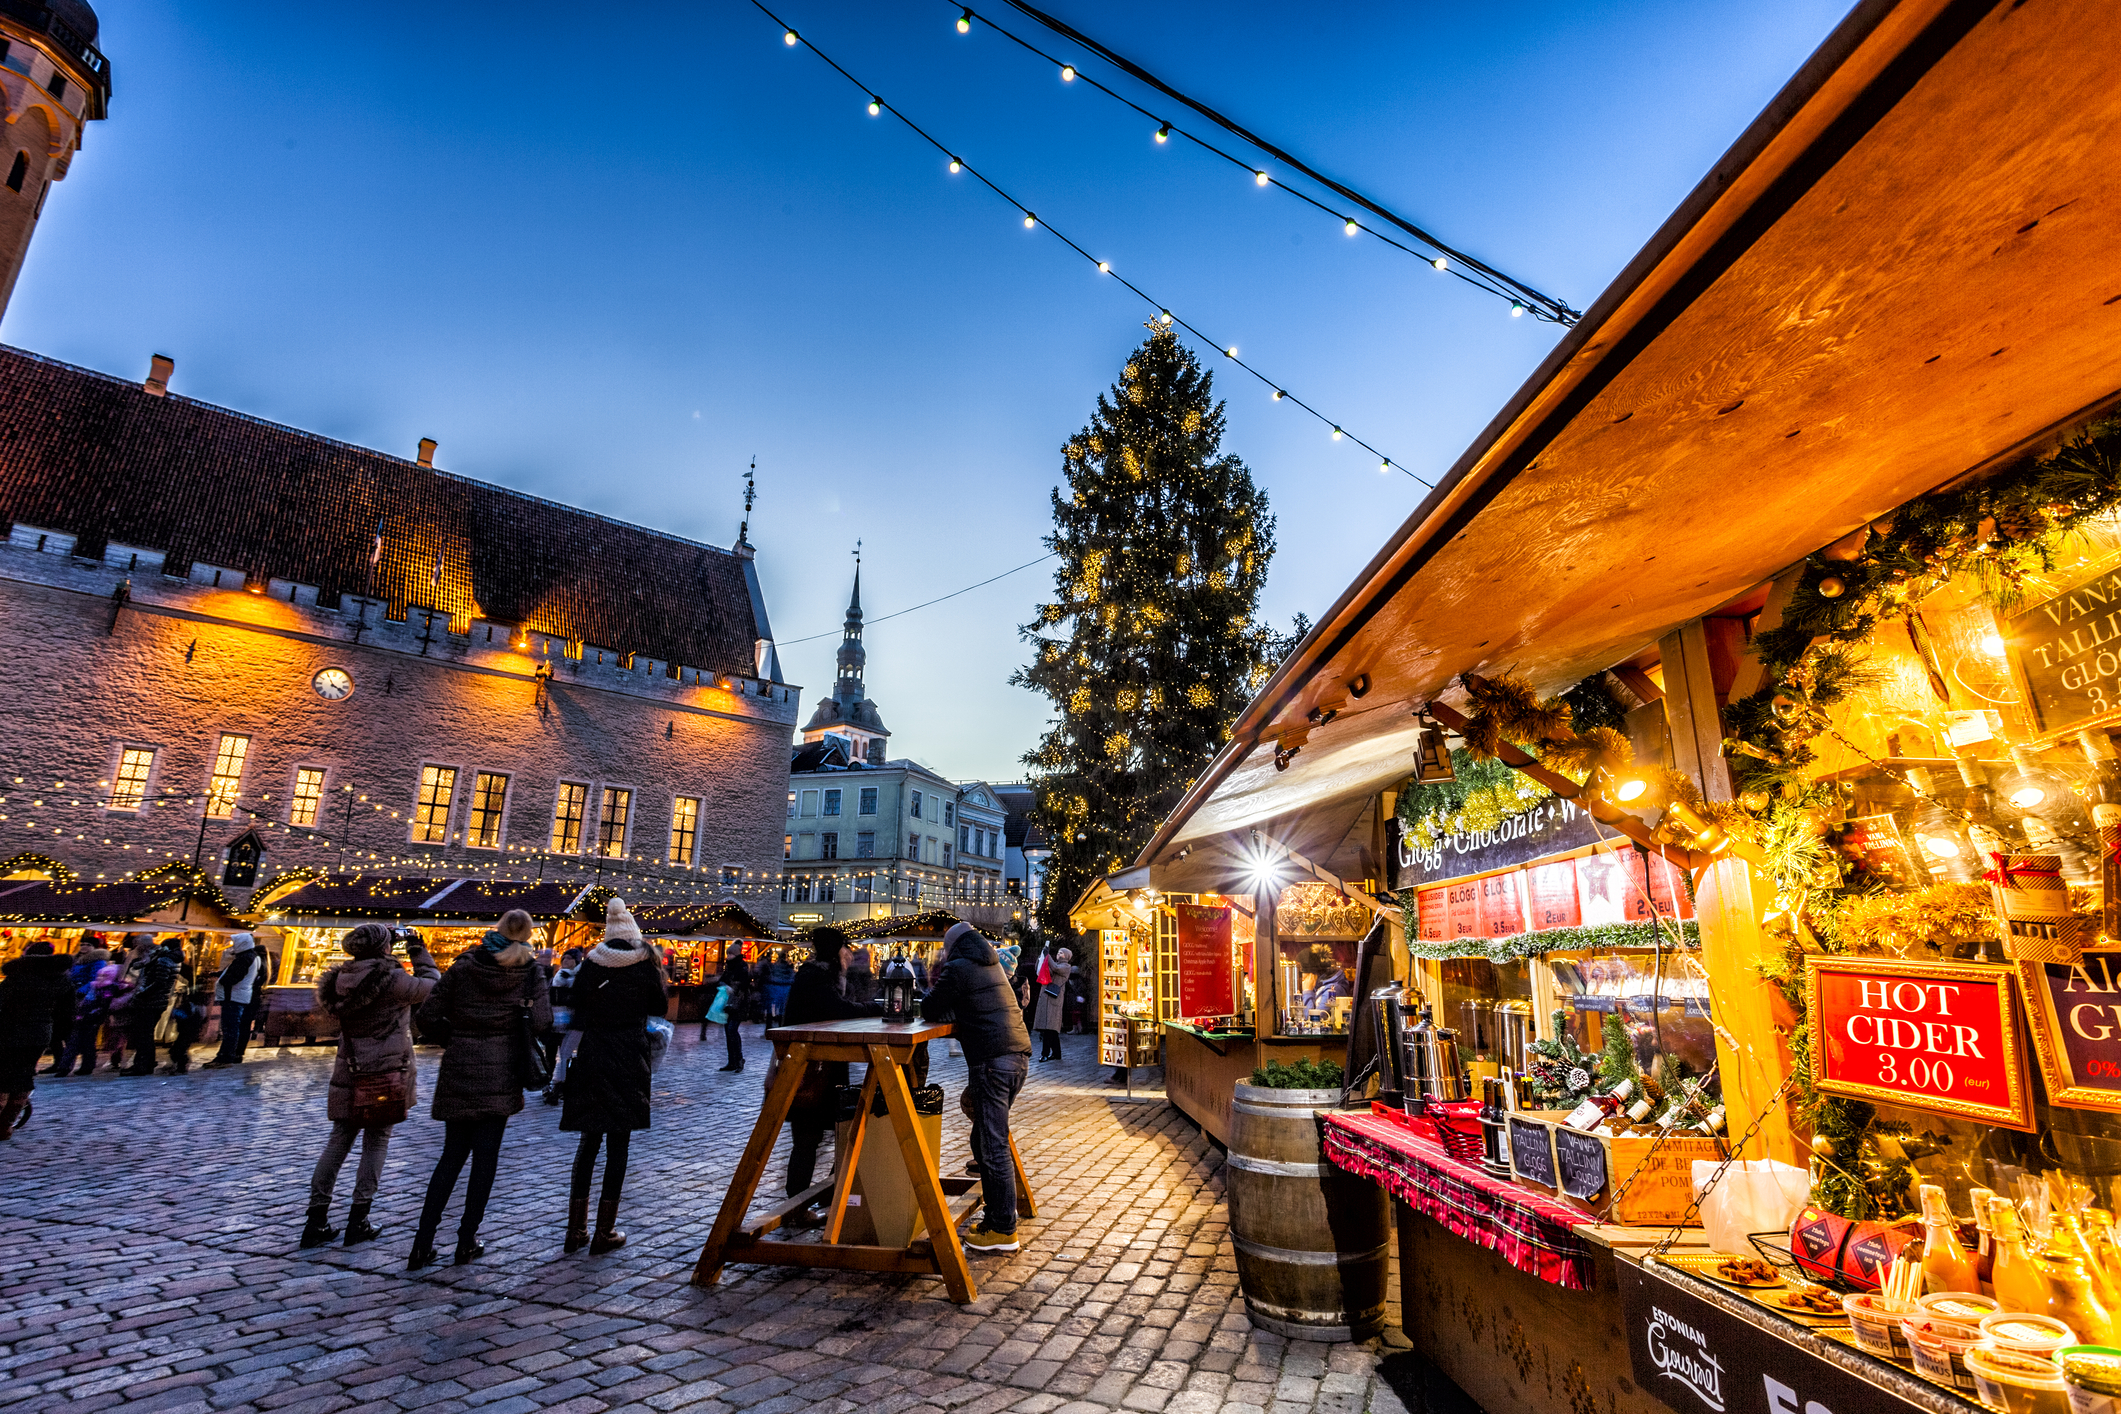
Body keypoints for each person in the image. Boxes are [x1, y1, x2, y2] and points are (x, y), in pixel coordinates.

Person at [407, 909, 550, 1269]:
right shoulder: (530, 971)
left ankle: (422, 1243)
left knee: (451, 1156)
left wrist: (454, 1038)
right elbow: (544, 1020)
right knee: (485, 1159)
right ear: (528, 934)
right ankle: (466, 1239)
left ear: (497, 929)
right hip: (501, 1067)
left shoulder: (466, 965)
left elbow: (425, 1015)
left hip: (461, 1064)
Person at [302, 924, 441, 1248]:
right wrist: (418, 949)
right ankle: (358, 1218)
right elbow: (433, 986)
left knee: (338, 1140)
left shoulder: (340, 979)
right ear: (384, 947)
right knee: (376, 1142)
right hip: (386, 1069)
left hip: (350, 1068)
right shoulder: (392, 980)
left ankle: (316, 1218)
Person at [560, 897, 669, 1254]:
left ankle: (576, 1230)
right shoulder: (644, 966)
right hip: (628, 1056)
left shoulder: (592, 964)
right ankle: (604, 1231)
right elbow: (659, 1008)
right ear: (634, 936)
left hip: (593, 1053)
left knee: (588, 1142)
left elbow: (575, 1001)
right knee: (618, 1144)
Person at [920, 920, 1031, 1253]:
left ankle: (1002, 1229)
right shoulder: (993, 963)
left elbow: (929, 1007)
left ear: (953, 947)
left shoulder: (959, 967)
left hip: (992, 1061)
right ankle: (999, 1212)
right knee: (984, 1138)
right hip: (1016, 1058)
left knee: (991, 1143)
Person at [779, 927, 882, 1227]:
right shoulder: (816, 977)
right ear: (834, 952)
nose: (849, 955)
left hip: (820, 1068)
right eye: (844, 950)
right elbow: (837, 1010)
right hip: (812, 1072)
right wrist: (872, 1008)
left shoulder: (820, 975)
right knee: (809, 1138)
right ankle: (796, 1207)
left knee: (838, 1134)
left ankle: (824, 1194)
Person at [0, 941, 75, 1137]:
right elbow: (67, 1013)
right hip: (40, 1033)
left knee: (4, 1077)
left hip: (10, 1031)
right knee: (23, 1075)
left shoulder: (18, 979)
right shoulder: (61, 980)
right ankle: (6, 1126)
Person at [201, 932, 271, 1069]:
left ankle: (225, 1057)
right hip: (239, 995)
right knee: (233, 1027)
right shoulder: (252, 957)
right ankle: (228, 1055)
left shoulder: (245, 958)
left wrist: (223, 981)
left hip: (233, 996)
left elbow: (234, 977)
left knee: (231, 1027)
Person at [119, 937, 187, 1077]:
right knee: (146, 1034)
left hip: (151, 1001)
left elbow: (158, 982)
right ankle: (146, 1064)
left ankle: (141, 1065)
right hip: (158, 1001)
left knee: (143, 1035)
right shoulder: (171, 959)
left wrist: (141, 993)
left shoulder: (164, 960)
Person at [44, 944, 111, 1076]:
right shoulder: (75, 959)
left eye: (88, 944)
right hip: (70, 999)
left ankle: (79, 1065)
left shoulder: (97, 961)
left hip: (85, 1001)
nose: (84, 947)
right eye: (82, 944)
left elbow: (95, 980)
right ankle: (63, 1063)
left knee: (81, 1035)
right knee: (65, 1034)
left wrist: (80, 993)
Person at [542, 946, 584, 1106]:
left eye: (570, 959)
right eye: (564, 959)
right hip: (554, 1022)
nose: (566, 962)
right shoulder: (558, 976)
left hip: (569, 1022)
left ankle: (560, 1087)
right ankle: (550, 1087)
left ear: (576, 961)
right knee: (551, 1055)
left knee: (565, 1055)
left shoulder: (578, 979)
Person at [709, 951, 751, 1071]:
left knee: (732, 1030)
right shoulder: (729, 968)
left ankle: (739, 1060)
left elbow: (745, 984)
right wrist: (725, 985)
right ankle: (732, 1061)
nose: (728, 957)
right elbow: (721, 980)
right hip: (728, 1003)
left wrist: (733, 987)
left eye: (731, 954)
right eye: (728, 954)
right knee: (728, 1031)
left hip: (739, 1002)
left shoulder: (743, 967)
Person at [1033, 947, 1073, 1062]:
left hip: (1054, 999)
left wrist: (1047, 956)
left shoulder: (1066, 967)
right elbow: (1041, 970)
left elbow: (1055, 968)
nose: (1059, 954)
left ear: (1066, 956)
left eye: (1061, 953)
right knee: (1051, 1028)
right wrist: (1041, 958)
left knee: (1049, 1027)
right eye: (1058, 952)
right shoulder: (1054, 964)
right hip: (1047, 996)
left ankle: (1045, 1053)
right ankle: (1056, 1053)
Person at [763, 948, 795, 1026]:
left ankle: (769, 1025)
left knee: (771, 1008)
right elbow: (792, 977)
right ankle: (781, 1025)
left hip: (774, 987)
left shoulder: (774, 967)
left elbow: (770, 976)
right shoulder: (788, 967)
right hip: (785, 988)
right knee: (782, 1009)